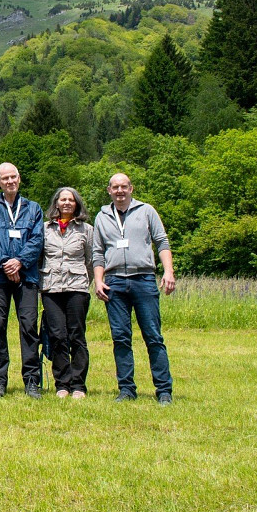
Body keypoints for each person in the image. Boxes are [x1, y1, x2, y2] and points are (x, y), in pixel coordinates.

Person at [92, 172, 175, 406]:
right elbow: (97, 253)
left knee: (153, 336)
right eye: (115, 187)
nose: (120, 191)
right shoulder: (102, 217)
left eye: (124, 187)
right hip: (115, 282)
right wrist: (98, 281)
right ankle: (126, 389)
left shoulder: (147, 211)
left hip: (144, 280)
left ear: (131, 189)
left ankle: (164, 390)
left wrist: (168, 271)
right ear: (109, 190)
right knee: (120, 338)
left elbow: (162, 241)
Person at [0, 162, 45, 399]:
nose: (10, 181)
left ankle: (32, 381)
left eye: (13, 177)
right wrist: (7, 262)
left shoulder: (33, 208)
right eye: (5, 178)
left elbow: (37, 240)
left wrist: (20, 262)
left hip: (26, 277)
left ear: (19, 178)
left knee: (29, 327)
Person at [39, 187, 94, 399]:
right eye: (63, 200)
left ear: (77, 204)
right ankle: (62, 383)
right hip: (51, 287)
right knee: (57, 336)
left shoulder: (86, 229)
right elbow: (39, 257)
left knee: (76, 335)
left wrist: (85, 279)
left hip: (77, 287)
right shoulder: (45, 228)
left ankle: (78, 385)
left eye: (71, 200)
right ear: (56, 203)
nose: (67, 203)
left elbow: (91, 260)